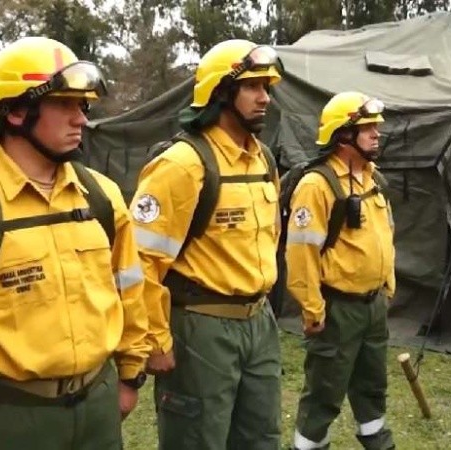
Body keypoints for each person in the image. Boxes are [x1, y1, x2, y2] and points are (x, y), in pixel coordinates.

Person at [0, 37, 150, 449]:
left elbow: (128, 290)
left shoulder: (101, 198)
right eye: (64, 104)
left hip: (98, 410)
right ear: (15, 110)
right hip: (9, 419)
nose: (81, 120)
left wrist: (129, 374)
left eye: (83, 106)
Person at [131, 39, 283, 449]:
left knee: (261, 437)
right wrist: (156, 341)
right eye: (253, 87)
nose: (264, 98)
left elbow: (270, 236)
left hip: (259, 322)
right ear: (220, 92)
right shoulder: (182, 164)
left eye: (267, 88)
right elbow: (140, 262)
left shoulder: (263, 160)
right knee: (196, 440)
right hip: (201, 328)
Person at [286, 92, 396, 450]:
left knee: (373, 384)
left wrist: (387, 287)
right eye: (367, 128)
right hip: (337, 310)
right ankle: (309, 445)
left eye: (376, 127)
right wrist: (312, 308)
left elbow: (386, 233)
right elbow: (302, 252)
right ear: (343, 134)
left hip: (373, 305)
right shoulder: (316, 185)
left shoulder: (373, 178)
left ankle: (377, 440)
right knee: (325, 391)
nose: (377, 134)